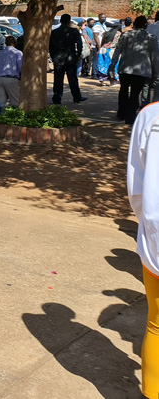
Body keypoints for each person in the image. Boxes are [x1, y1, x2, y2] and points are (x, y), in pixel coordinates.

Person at [127, 101, 159, 399]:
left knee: (156, 326)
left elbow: (136, 186)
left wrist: (149, 228)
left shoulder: (150, 115)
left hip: (156, 242)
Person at [111, 15, 159, 124]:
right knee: (134, 94)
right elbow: (155, 57)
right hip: (141, 71)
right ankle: (130, 116)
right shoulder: (151, 38)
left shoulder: (125, 35)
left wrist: (112, 65)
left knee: (123, 91)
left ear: (134, 24)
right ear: (146, 25)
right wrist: (156, 72)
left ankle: (121, 113)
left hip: (125, 68)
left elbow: (117, 51)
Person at [49, 14, 87, 104]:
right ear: (69, 21)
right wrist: (78, 55)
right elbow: (79, 44)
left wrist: (53, 56)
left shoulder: (54, 32)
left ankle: (57, 98)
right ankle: (77, 97)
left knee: (58, 79)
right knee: (73, 79)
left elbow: (51, 46)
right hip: (70, 58)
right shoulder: (74, 31)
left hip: (58, 58)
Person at [0, 36, 23, 108]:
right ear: (15, 43)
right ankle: (14, 117)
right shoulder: (18, 53)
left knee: (1, 102)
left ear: (5, 43)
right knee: (15, 101)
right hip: (11, 78)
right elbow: (20, 67)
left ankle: (0, 117)